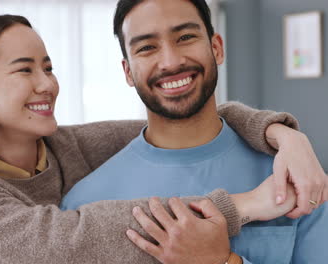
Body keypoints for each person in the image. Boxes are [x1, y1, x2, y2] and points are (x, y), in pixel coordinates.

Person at [0, 15, 323, 264]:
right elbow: (71, 245)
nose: (47, 84)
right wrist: (245, 204)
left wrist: (286, 136)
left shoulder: (68, 147)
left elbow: (187, 116)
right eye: (24, 70)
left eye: (48, 67)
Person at [60, 0, 328, 263]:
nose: (170, 62)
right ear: (128, 71)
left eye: (185, 37)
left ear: (217, 48)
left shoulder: (298, 179)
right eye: (147, 47)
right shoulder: (83, 205)